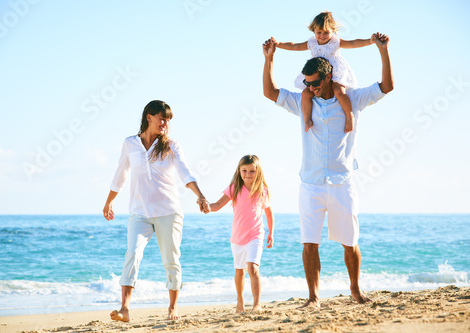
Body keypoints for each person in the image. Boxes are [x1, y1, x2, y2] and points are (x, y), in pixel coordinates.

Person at [262, 32, 393, 308]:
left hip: (343, 183)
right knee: (309, 243)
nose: (311, 88)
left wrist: (383, 51)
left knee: (350, 242)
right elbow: (270, 92)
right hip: (310, 184)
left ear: (329, 77)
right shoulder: (303, 101)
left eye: (316, 83)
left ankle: (355, 290)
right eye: (307, 84)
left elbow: (386, 87)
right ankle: (313, 298)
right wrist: (269, 59)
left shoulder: (352, 100)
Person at [103, 100, 209, 322]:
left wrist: (200, 195)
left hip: (168, 212)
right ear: (149, 117)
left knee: (171, 259)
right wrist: (109, 201)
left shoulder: (171, 145)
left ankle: (172, 308)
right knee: (132, 253)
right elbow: (120, 173)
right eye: (162, 118)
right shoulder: (130, 143)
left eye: (168, 120)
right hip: (139, 212)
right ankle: (124, 308)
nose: (165, 123)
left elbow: (185, 173)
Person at [272, 11, 377, 133]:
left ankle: (349, 116)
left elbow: (353, 43)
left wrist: (370, 41)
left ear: (332, 31)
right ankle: (307, 119)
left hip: (334, 73)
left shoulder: (335, 42)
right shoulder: (312, 42)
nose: (322, 36)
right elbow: (295, 46)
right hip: (318, 73)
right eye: (319, 32)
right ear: (314, 31)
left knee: (339, 91)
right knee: (306, 94)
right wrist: (278, 44)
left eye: (326, 32)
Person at [204, 155, 274, 313]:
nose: (248, 174)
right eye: (244, 171)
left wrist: (271, 232)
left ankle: (257, 304)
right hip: (237, 237)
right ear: (239, 171)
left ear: (258, 172)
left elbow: (269, 213)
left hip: (256, 235)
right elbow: (217, 205)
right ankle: (240, 302)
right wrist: (208, 207)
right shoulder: (234, 188)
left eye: (252, 171)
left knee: (253, 268)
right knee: (240, 271)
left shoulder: (262, 191)